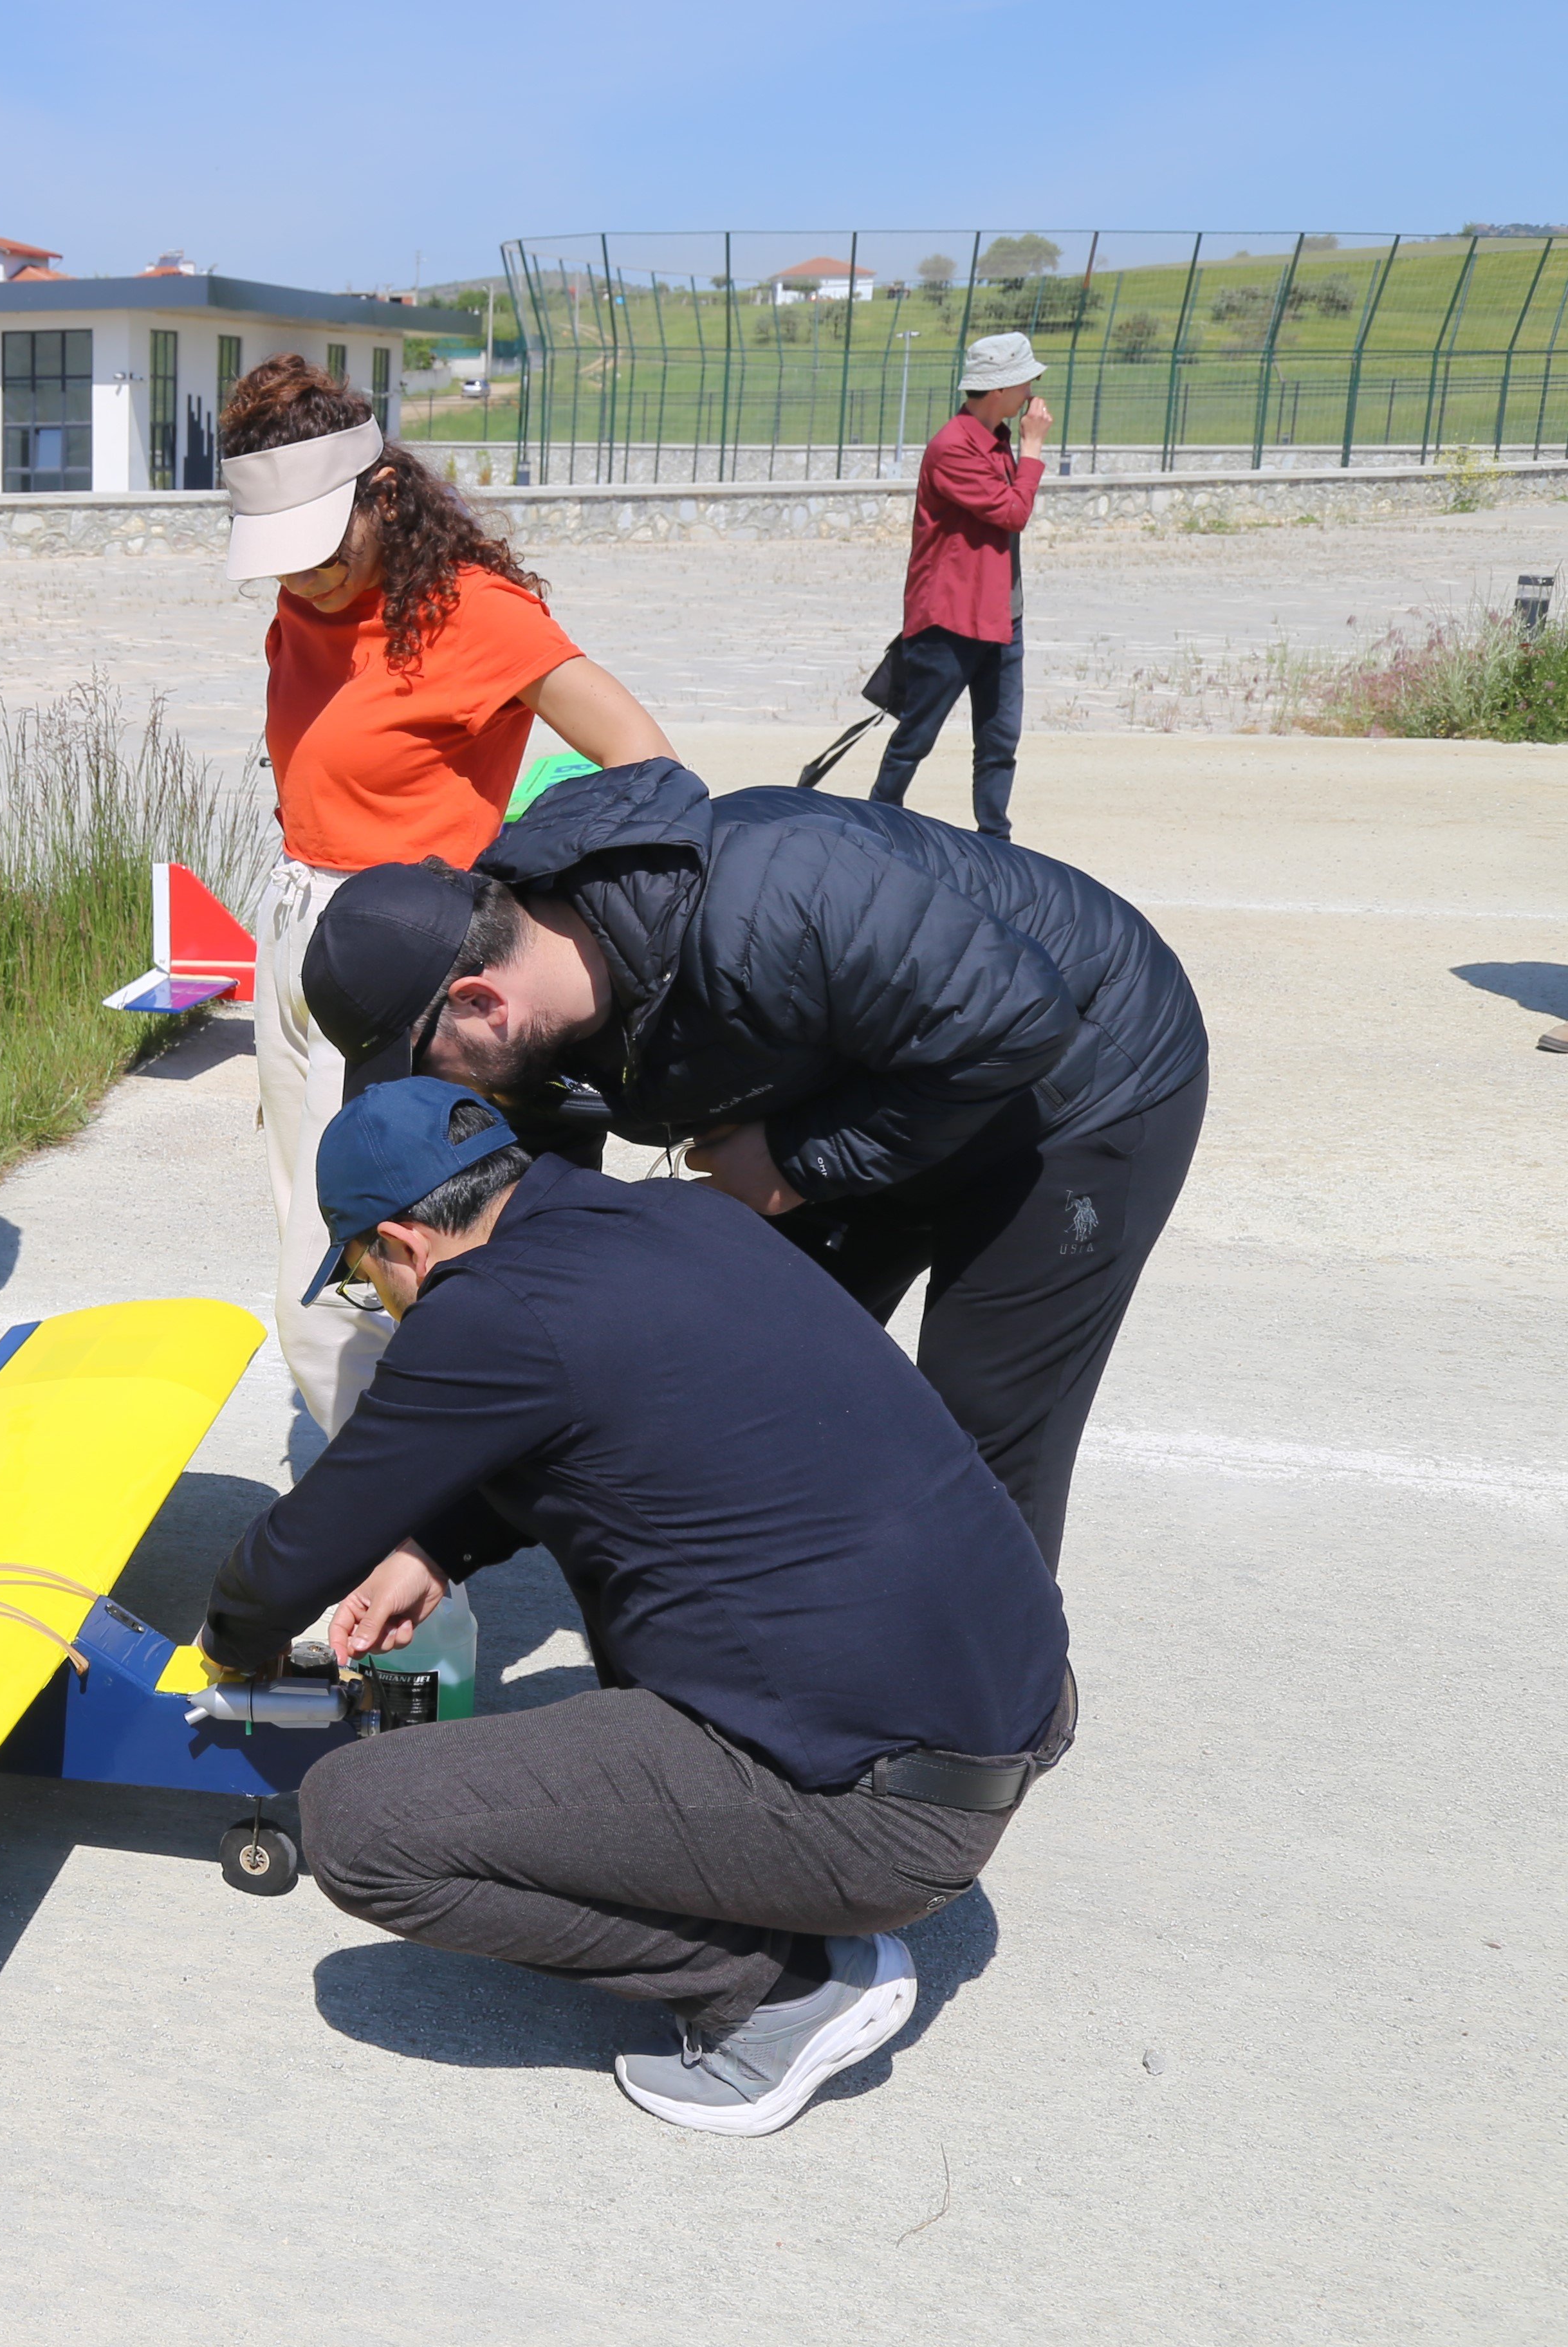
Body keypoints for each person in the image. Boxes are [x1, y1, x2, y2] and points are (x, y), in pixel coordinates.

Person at [198, 1078, 1076, 2137]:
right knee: (642, 1577)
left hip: (888, 1816)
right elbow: (601, 1425)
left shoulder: (481, 1310)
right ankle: (796, 1880)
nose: (375, 1294)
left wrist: (228, 1645)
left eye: (361, 1274)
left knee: (357, 1825)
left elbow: (301, 1547)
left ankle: (774, 1990)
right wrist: (438, 1544)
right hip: (1012, 1703)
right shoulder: (676, 1218)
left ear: (400, 1242)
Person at [300, 758, 1207, 1567]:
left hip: (1076, 1079)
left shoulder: (776, 898)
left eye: (424, 1065)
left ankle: (986, 1738)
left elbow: (1015, 1023)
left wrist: (796, 1162)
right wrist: (439, 1535)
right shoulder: (533, 1038)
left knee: (982, 1435)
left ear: (477, 1001)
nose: (431, 1094)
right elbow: (552, 1267)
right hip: (875, 1091)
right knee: (742, 1376)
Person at [216, 356, 674, 1438]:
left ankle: (413, 1570)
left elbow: (646, 767)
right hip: (293, 932)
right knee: (311, 1225)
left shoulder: (478, 613)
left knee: (346, 1281)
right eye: (280, 558)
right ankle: (399, 1499)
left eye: (322, 549)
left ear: (381, 494)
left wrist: (528, 899)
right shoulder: (296, 611)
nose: (308, 579)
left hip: (408, 962)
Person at [871, 331, 1050, 840]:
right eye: (1026, 381)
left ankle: (996, 842)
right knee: (916, 736)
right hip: (951, 619)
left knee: (999, 741)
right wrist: (1035, 447)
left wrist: (1023, 448)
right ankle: (878, 825)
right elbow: (1013, 512)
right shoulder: (953, 447)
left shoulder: (996, 441)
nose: (1032, 390)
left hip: (1000, 617)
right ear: (998, 390)